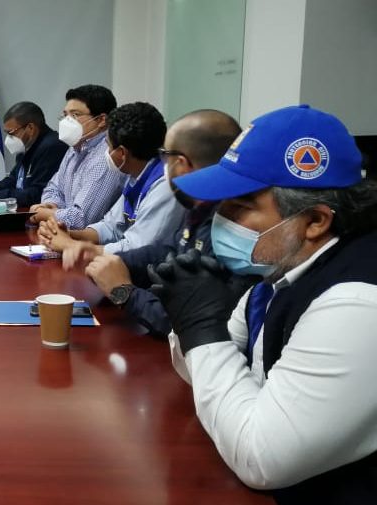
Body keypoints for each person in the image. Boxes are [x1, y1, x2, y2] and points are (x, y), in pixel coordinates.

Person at [148, 105, 377, 505]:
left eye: (240, 206)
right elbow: (201, 376)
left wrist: (201, 328)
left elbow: (260, 457)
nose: (220, 219)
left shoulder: (357, 303)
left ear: (314, 221)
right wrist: (191, 318)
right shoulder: (280, 270)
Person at [77, 109, 244, 336]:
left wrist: (123, 292)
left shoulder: (231, 228)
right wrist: (116, 261)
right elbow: (169, 251)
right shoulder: (202, 208)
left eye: (165, 156)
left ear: (181, 163)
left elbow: (187, 321)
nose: (163, 164)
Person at [39, 102, 180, 258]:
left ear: (122, 153)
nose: (106, 152)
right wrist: (69, 234)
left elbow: (137, 248)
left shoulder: (164, 184)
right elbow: (111, 227)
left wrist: (73, 246)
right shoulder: (135, 174)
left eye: (108, 146)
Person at [29, 84, 125, 229]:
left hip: (90, 240)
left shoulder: (106, 156)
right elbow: (53, 188)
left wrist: (46, 214)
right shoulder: (75, 147)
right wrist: (52, 205)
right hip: (64, 235)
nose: (67, 121)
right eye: (65, 115)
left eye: (75, 115)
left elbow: (81, 220)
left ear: (101, 120)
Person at [0, 101, 68, 208]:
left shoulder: (53, 147)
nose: (8, 139)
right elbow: (12, 181)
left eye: (11, 133)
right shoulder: (26, 146)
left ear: (30, 128)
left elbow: (37, 194)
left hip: (37, 211)